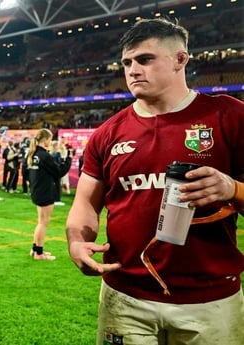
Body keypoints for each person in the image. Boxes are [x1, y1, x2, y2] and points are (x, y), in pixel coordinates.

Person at [66, 18, 244, 345]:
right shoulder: (108, 133)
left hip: (209, 299)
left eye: (145, 59)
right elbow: (85, 205)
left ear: (180, 59)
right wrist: (77, 240)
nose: (133, 69)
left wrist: (232, 189)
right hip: (125, 296)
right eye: (127, 62)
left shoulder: (229, 116)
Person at [28, 129, 71, 260]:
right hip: (45, 192)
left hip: (37, 190)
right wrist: (67, 158)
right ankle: (39, 253)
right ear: (46, 139)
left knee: (40, 222)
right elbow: (58, 172)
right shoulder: (44, 155)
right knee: (43, 223)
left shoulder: (34, 153)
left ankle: (35, 249)